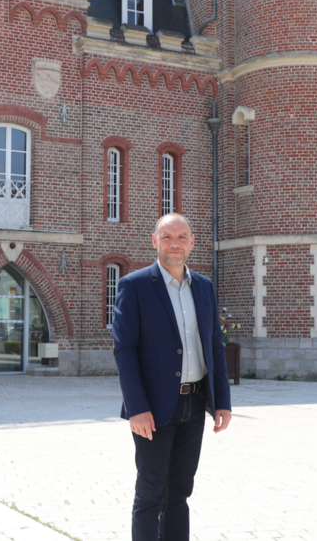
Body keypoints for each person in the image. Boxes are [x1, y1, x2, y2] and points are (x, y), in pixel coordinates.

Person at [113, 213, 232, 541]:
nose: (174, 243)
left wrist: (222, 401)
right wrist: (135, 407)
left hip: (194, 406)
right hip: (152, 409)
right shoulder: (134, 285)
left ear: (192, 242)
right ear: (155, 241)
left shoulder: (204, 287)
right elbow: (125, 350)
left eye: (181, 237)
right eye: (167, 237)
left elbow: (214, 346)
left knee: (179, 492)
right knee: (151, 493)